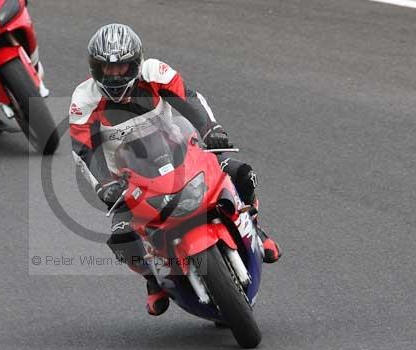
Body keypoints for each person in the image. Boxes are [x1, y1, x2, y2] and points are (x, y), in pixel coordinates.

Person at [70, 23, 281, 317]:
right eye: (107, 69)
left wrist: (212, 129)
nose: (115, 75)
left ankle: (256, 227)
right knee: (121, 237)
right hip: (128, 179)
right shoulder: (84, 99)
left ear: (137, 62)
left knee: (241, 172)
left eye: (122, 67)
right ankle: (153, 281)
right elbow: (83, 149)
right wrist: (104, 184)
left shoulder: (154, 72)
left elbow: (189, 97)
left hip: (181, 153)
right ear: (95, 68)